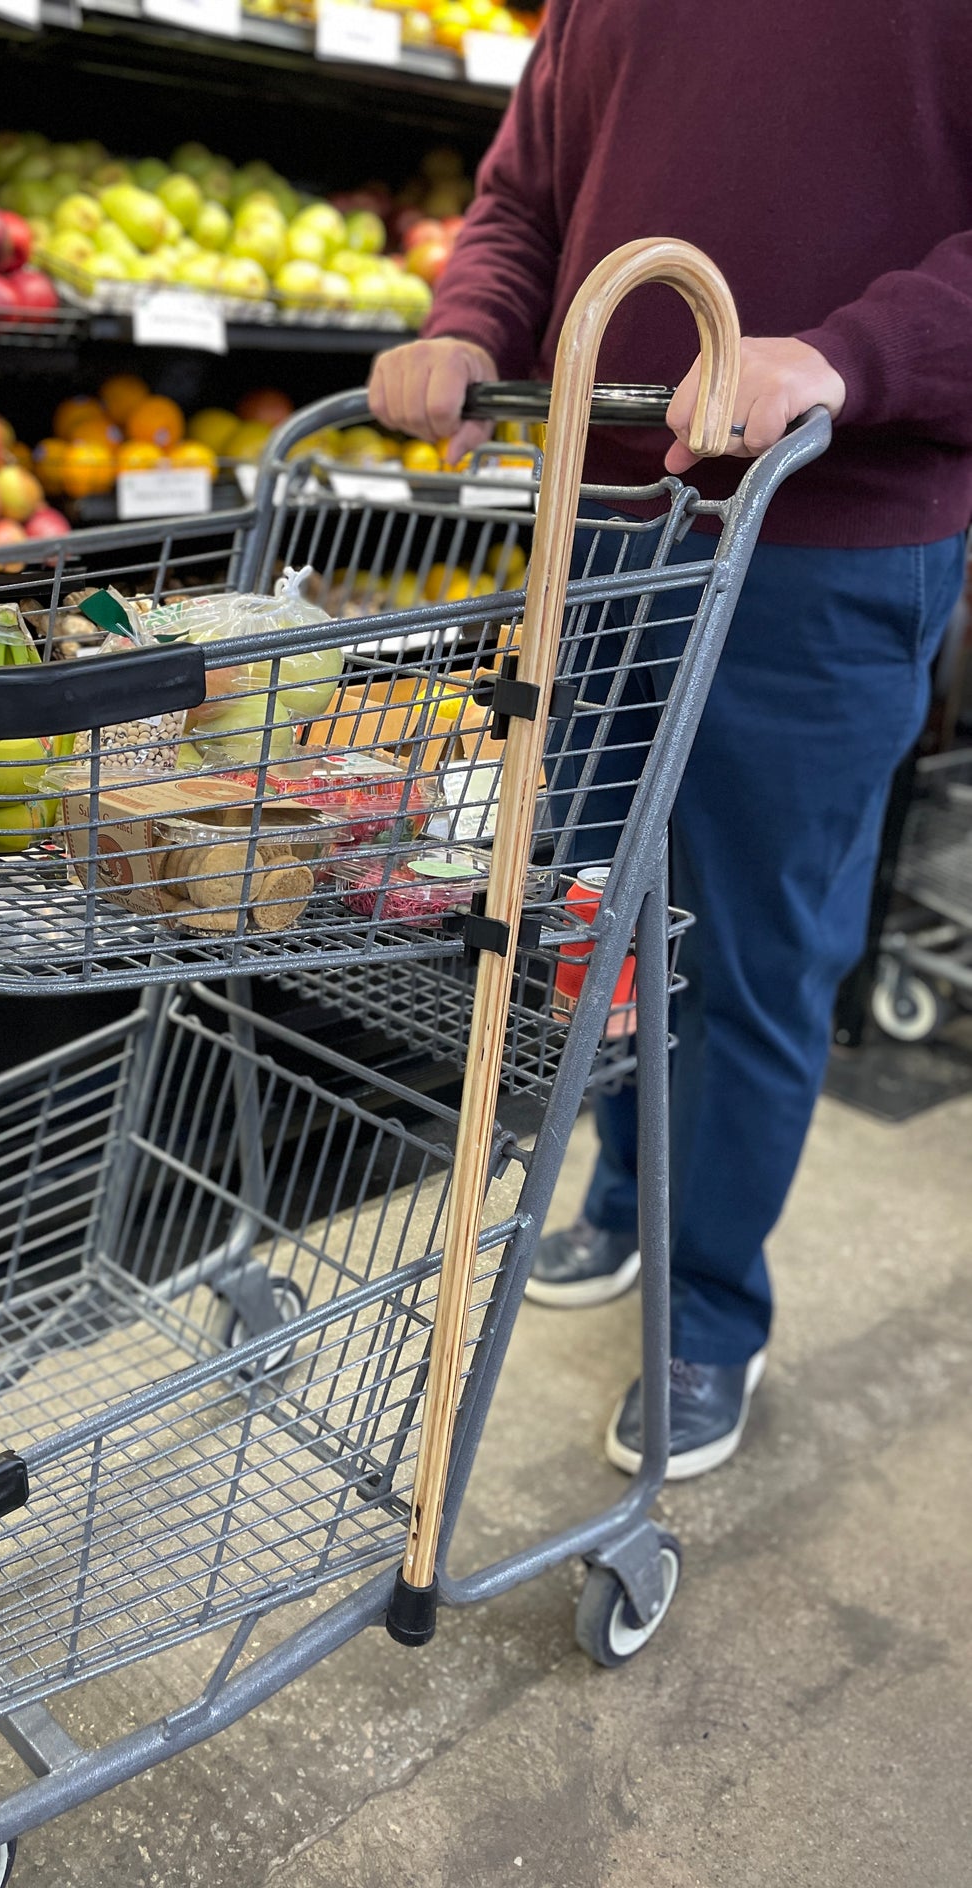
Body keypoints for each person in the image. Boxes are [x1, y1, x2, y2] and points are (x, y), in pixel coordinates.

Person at [369, 0, 972, 1478]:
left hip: (824, 529)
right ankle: (624, 1196)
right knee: (593, 903)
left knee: (758, 953)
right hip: (599, 516)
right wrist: (465, 323)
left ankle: (707, 1307)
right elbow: (525, 195)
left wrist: (842, 357)